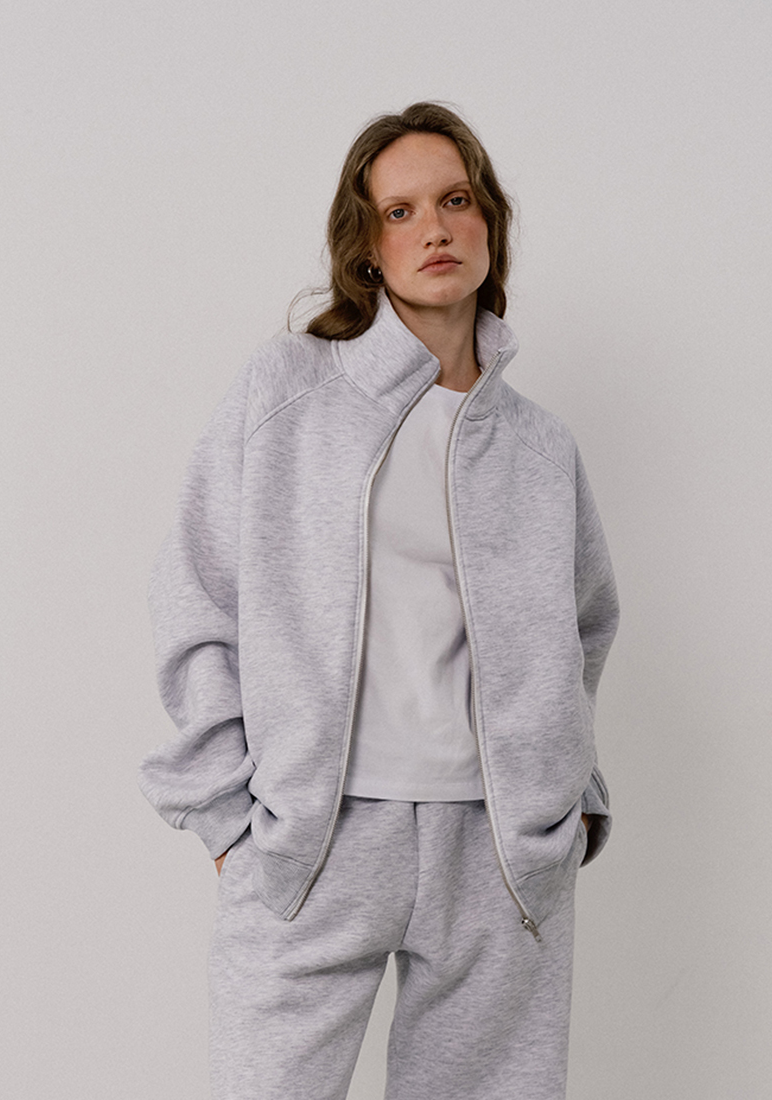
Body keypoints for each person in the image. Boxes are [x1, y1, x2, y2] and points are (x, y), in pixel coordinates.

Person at [139, 102, 619, 1100]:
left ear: (489, 223)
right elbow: (200, 596)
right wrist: (227, 814)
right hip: (315, 840)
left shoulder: (539, 446)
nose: (434, 229)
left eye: (455, 200)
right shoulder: (287, 392)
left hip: (498, 854)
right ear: (366, 246)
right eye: (400, 212)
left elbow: (583, 627)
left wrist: (566, 800)